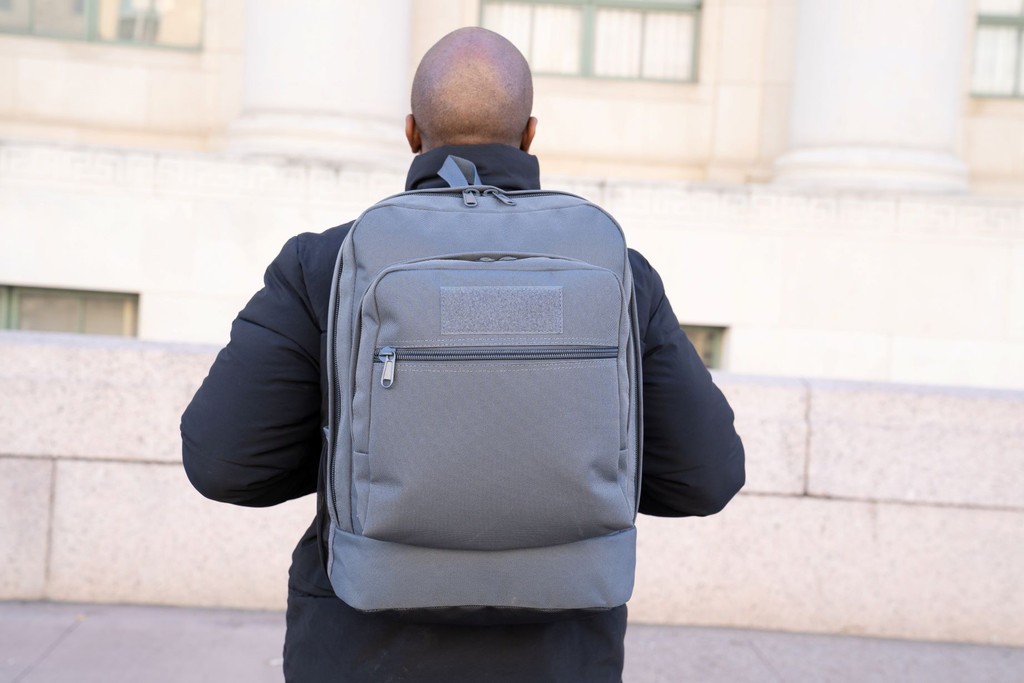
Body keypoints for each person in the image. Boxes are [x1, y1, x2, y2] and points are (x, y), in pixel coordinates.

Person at [182, 26, 744, 683]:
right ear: (529, 134)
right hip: (559, 656)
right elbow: (706, 475)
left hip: (361, 652)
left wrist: (365, 459)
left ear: (412, 133)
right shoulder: (618, 270)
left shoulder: (323, 265)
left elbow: (224, 462)